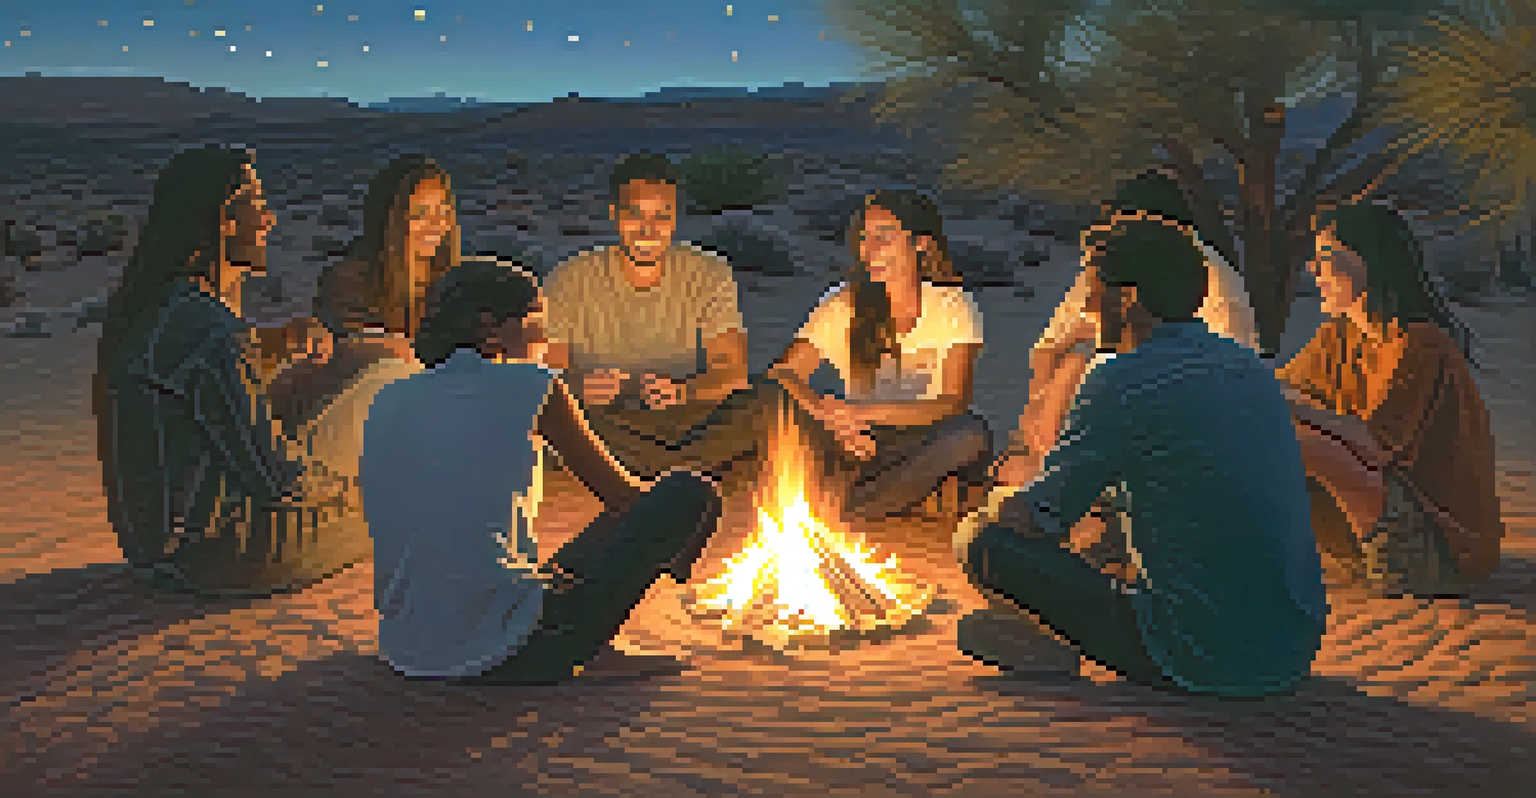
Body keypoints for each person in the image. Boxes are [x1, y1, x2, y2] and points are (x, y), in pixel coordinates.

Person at [954, 215, 1328, 697]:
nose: (1087, 307)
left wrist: (1000, 504)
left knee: (981, 541)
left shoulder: (1119, 378)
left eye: (1092, 290)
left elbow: (1041, 515)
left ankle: (1047, 647)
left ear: (1126, 298)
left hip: (1203, 655)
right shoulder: (1247, 365)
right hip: (1290, 650)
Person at [361, 260, 723, 684]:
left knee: (539, 561)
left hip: (405, 645)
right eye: (534, 321)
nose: (544, 337)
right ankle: (588, 643)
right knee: (687, 493)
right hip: (509, 653)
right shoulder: (533, 385)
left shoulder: (389, 395)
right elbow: (624, 498)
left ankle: (551, 611)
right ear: (490, 328)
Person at [607, 189, 993, 522]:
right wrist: (830, 416)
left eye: (884, 237)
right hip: (849, 442)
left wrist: (860, 414)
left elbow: (951, 402)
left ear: (920, 244)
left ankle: (844, 507)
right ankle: (657, 475)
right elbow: (784, 374)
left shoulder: (952, 307)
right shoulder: (844, 302)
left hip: (916, 439)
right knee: (763, 394)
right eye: (864, 238)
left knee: (968, 435)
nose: (869, 250)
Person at [94, 145, 365, 597]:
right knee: (395, 511)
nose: (269, 221)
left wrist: (274, 344)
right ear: (223, 218)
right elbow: (277, 480)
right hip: (215, 555)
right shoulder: (210, 329)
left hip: (153, 548)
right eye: (256, 205)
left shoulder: (162, 308)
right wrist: (352, 488)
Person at [1278, 201, 1503, 596]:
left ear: (1369, 262)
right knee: (1271, 431)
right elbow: (1284, 388)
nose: (1313, 271)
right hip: (1368, 527)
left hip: (1441, 551)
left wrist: (1295, 410)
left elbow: (1375, 444)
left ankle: (1388, 569)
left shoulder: (1419, 344)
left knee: (1302, 442)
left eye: (1328, 257)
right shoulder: (1340, 336)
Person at [997, 169, 1261, 489]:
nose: (1090, 306)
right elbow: (1054, 343)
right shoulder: (1111, 269)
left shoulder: (1213, 290)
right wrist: (1035, 413)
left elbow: (1219, 388)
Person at [541, 151, 749, 479]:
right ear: (614, 214)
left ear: (676, 217)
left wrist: (683, 392)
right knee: (546, 418)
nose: (648, 231)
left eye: (662, 216)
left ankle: (627, 473)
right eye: (635, 215)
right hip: (600, 424)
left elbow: (733, 372)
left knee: (769, 401)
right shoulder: (570, 278)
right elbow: (545, 370)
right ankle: (677, 473)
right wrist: (578, 385)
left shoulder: (710, 273)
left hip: (682, 421)